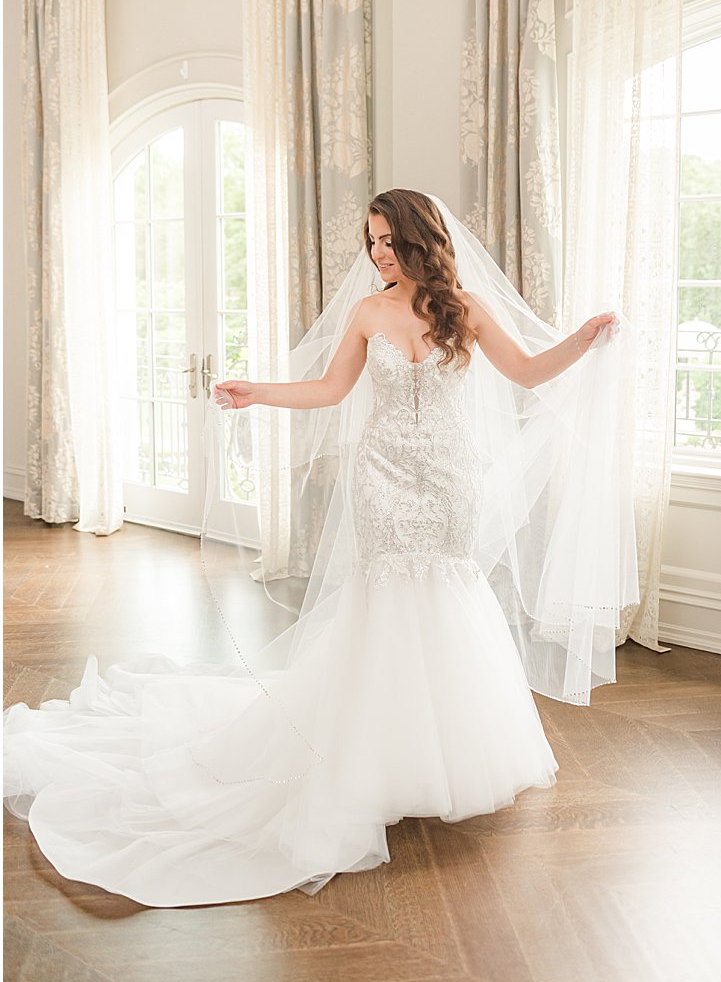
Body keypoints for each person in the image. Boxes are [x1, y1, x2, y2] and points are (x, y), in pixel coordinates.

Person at [3, 190, 636, 907]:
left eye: (390, 240)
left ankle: (440, 760)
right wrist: (257, 394)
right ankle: (374, 761)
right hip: (383, 480)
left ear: (421, 238)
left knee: (447, 595)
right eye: (371, 242)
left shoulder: (464, 307)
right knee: (388, 603)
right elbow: (333, 391)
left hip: (451, 479)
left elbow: (525, 373)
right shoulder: (370, 311)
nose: (380, 254)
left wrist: (583, 340)